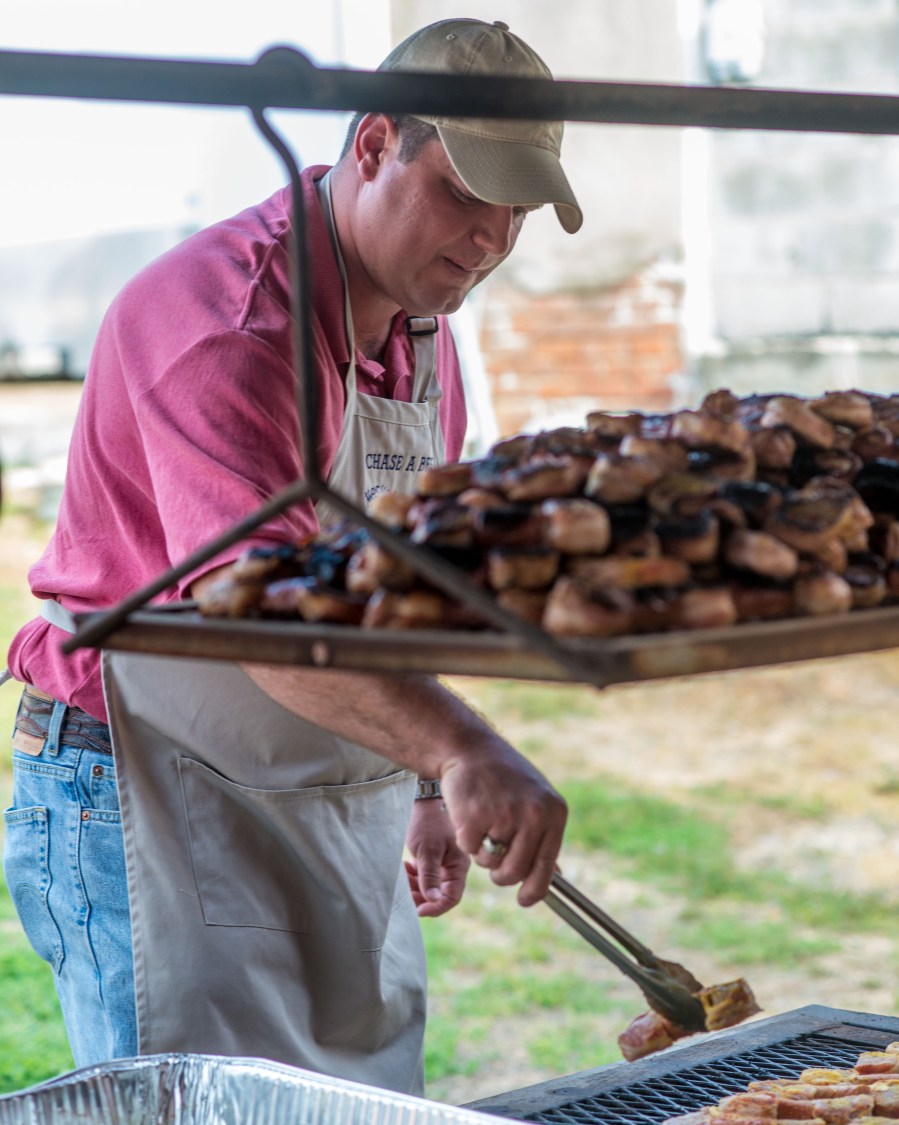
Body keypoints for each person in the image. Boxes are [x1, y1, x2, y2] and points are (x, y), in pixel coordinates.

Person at [2, 17, 582, 1096]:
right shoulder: (226, 326)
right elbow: (252, 615)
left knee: (338, 1105)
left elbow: (394, 583)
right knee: (187, 1107)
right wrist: (461, 748)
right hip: (138, 784)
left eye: (519, 209)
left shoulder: (422, 329)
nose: (493, 236)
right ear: (372, 146)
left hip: (308, 777)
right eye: (467, 193)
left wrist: (416, 774)